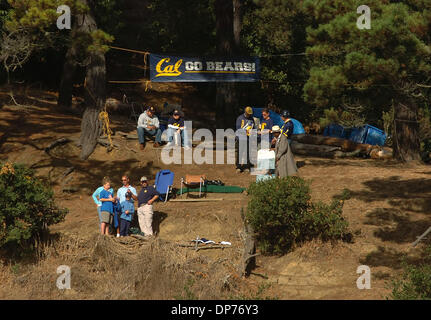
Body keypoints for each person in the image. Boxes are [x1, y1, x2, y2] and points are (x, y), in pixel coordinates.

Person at [235, 106, 256, 173]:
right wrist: (246, 132)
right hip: (241, 138)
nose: (249, 115)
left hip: (248, 139)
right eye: (248, 113)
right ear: (245, 112)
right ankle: (238, 167)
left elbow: (253, 127)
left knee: (247, 153)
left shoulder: (251, 119)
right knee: (240, 153)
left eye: (250, 114)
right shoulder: (240, 118)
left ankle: (247, 167)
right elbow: (238, 128)